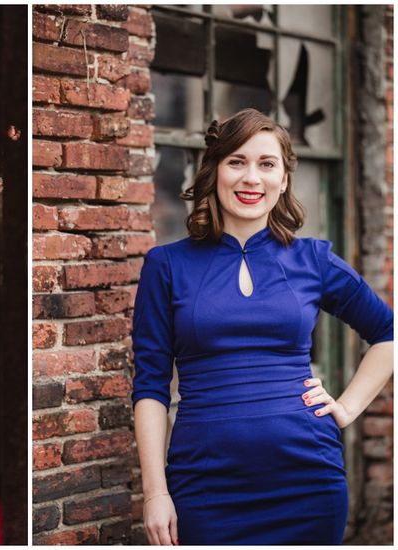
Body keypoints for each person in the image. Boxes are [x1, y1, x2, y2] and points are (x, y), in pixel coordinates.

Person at [132, 108, 393, 545]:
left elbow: (388, 334)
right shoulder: (167, 265)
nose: (251, 177)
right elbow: (151, 387)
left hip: (307, 478)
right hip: (205, 482)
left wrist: (346, 408)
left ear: (283, 179)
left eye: (266, 164)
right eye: (236, 161)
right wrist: (155, 492)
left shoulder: (312, 259)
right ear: (215, 171)